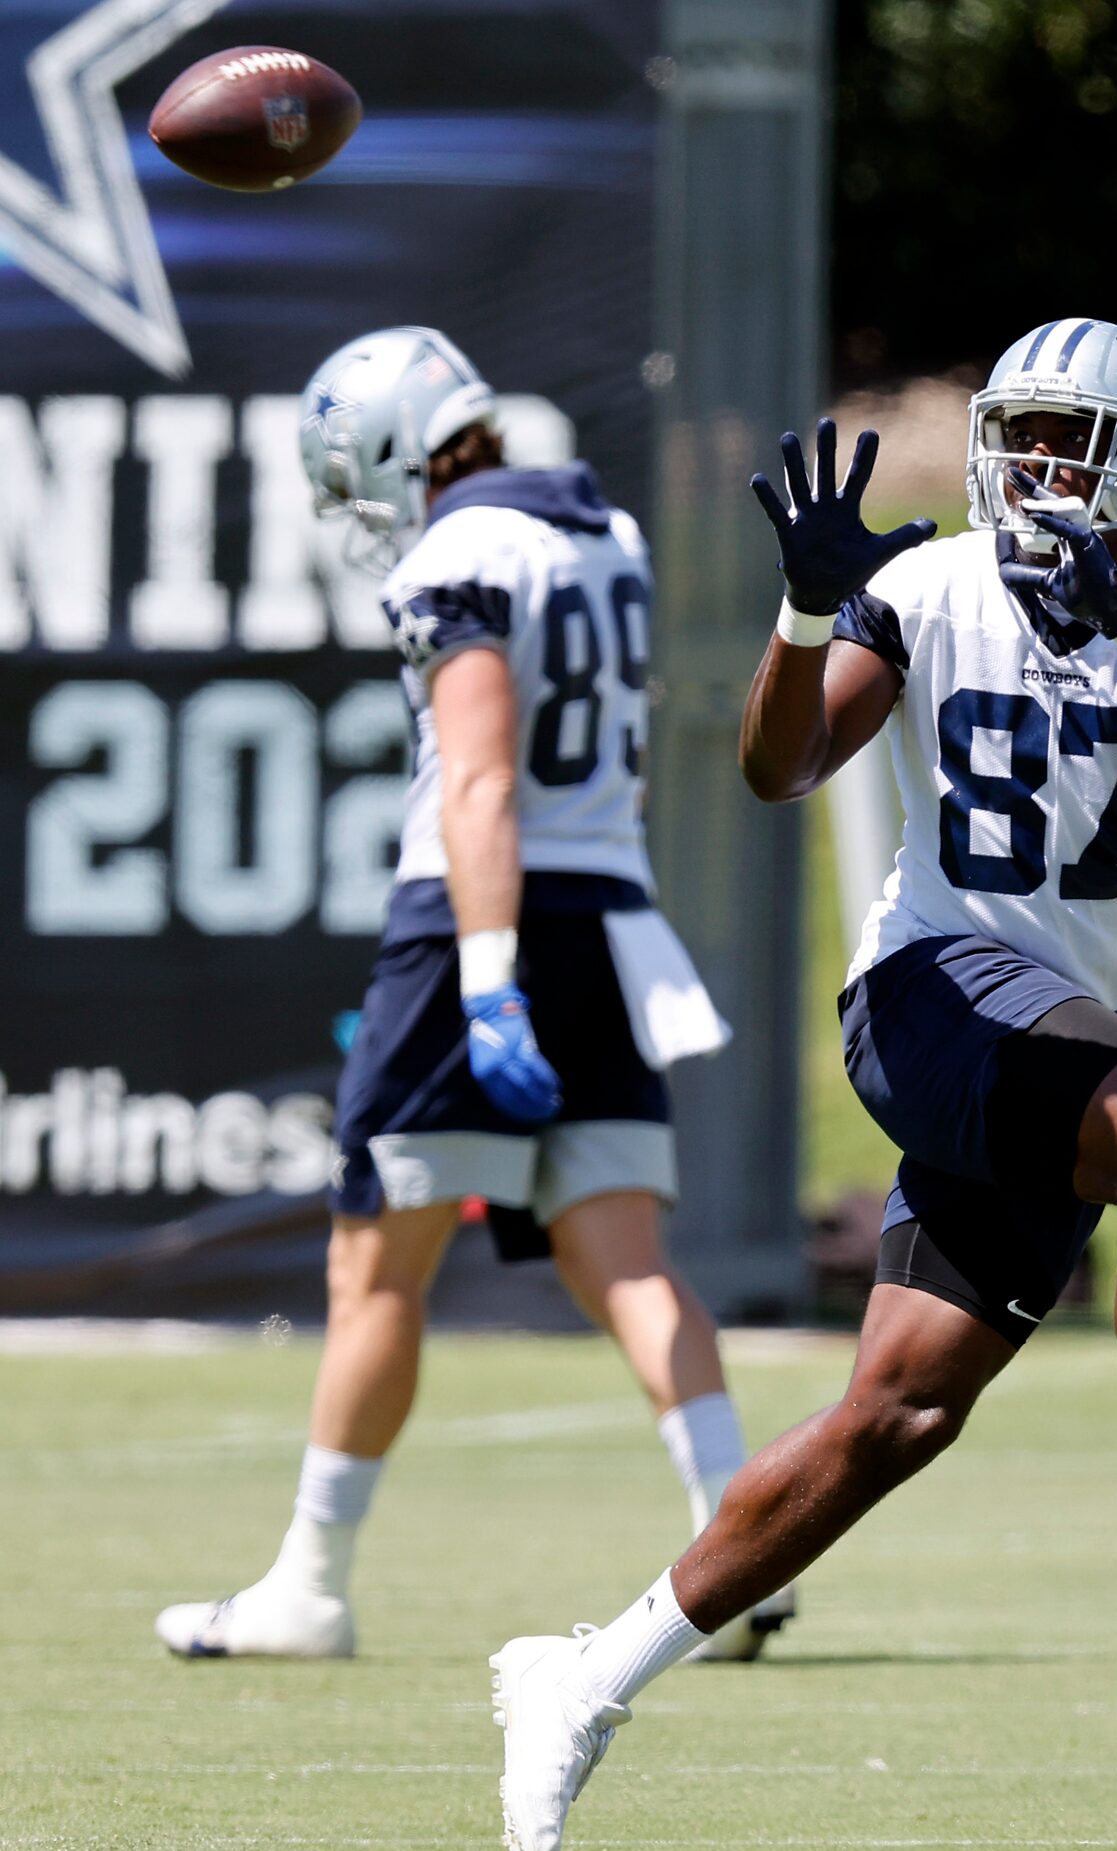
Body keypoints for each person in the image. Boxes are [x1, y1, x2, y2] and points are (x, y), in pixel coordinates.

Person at [489, 318, 1117, 1851]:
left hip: (1067, 1046)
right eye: (1021, 434)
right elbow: (782, 766)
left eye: (1073, 443)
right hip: (930, 998)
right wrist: (801, 606)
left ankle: (584, 1675)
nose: (1040, 469)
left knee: (896, 1411)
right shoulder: (923, 585)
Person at [154, 325, 793, 1665]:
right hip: (609, 913)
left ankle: (310, 1585)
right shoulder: (605, 528)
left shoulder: (459, 554)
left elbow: (483, 782)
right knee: (621, 1252)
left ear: (396, 449)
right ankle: (742, 1542)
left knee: (374, 1263)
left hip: (475, 923)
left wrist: (488, 984)